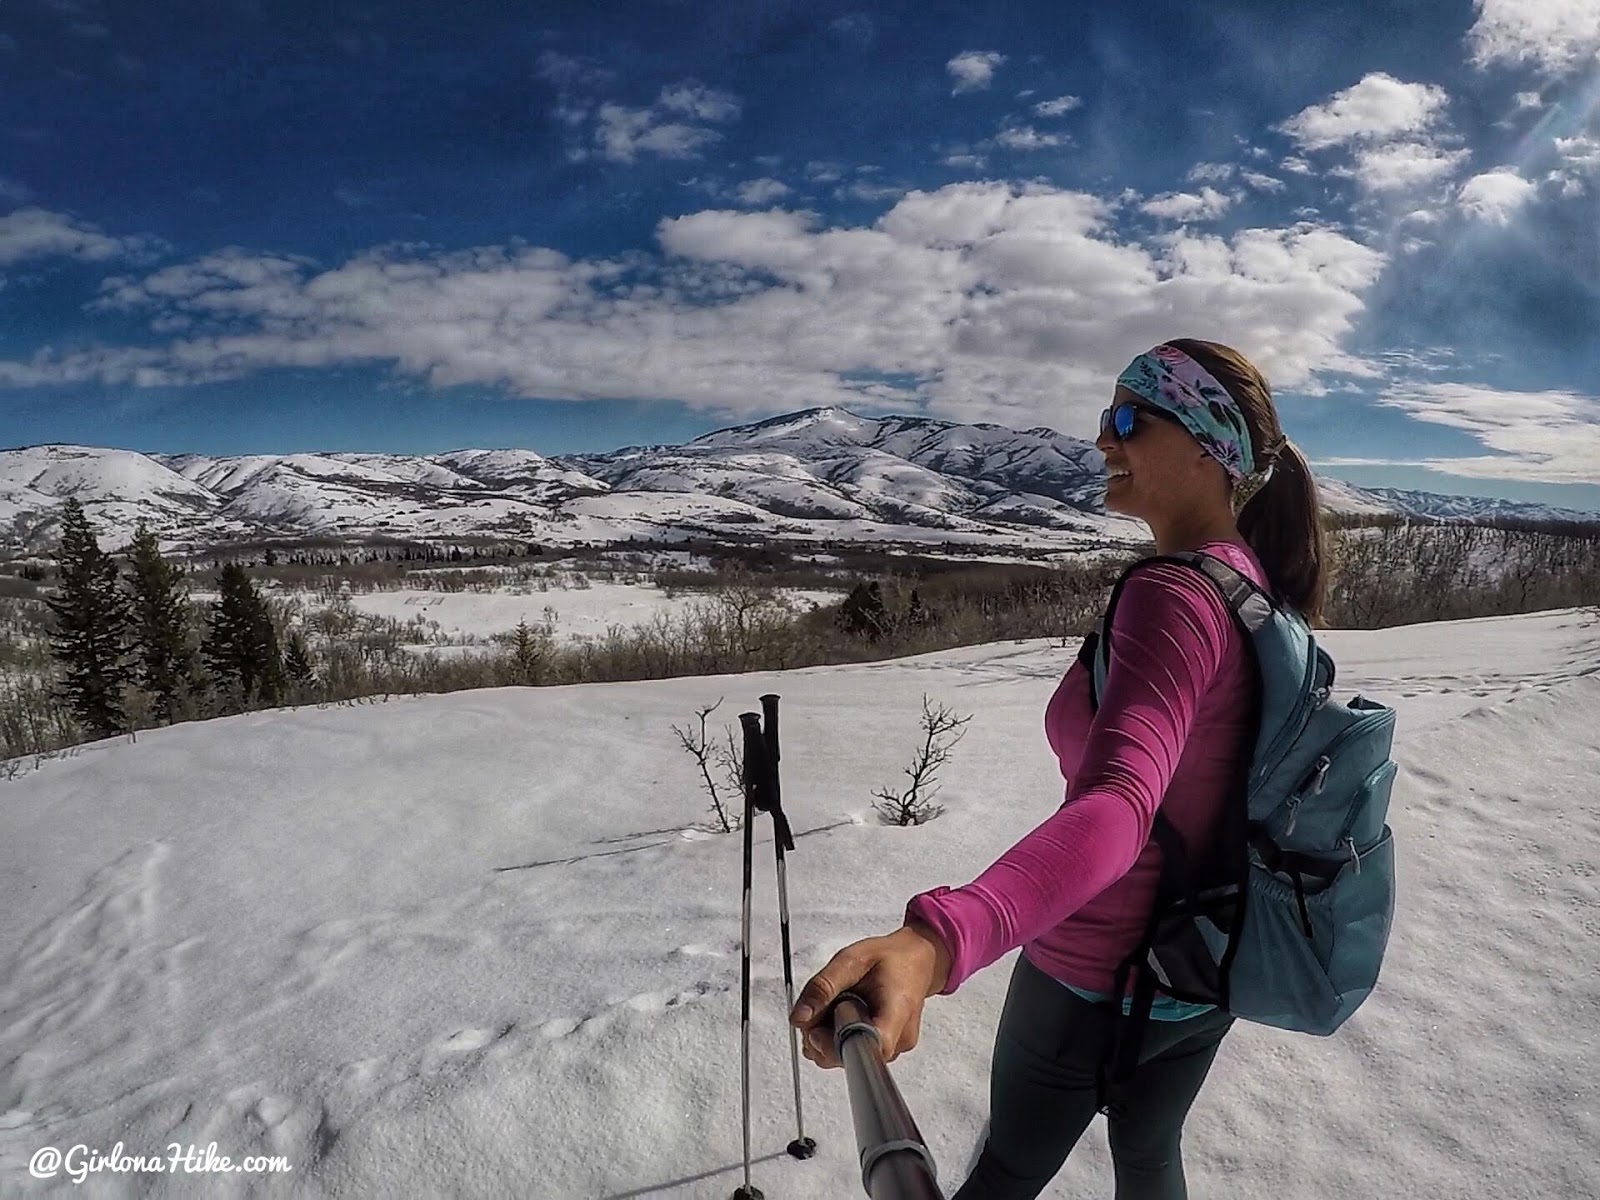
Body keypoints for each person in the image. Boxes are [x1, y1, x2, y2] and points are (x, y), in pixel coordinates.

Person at [788, 338, 1328, 1200]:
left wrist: (937, 940)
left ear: (1206, 445)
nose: (1103, 441)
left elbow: (1121, 808)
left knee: (1005, 1172)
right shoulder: (1248, 585)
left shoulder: (1175, 595)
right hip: (1199, 972)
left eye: (1126, 418)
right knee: (1150, 1161)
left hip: (1087, 973)